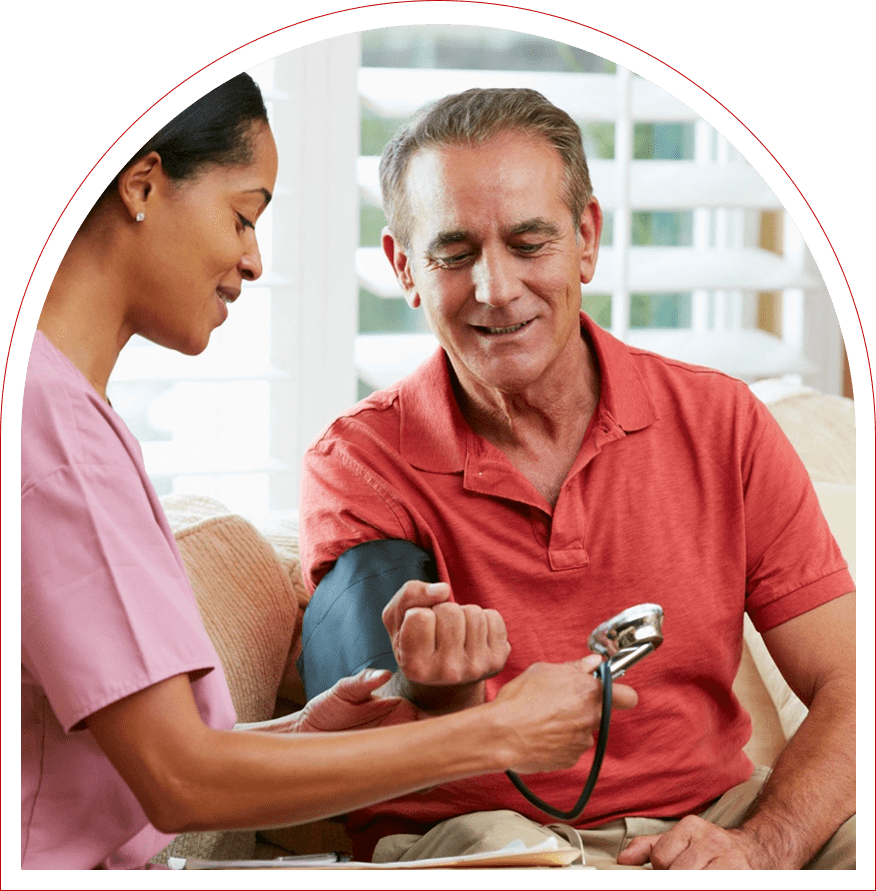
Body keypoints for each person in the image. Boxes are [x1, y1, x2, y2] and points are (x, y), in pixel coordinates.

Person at [20, 74, 620, 870]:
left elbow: (150, 755)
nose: (254, 259)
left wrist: (301, 732)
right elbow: (178, 781)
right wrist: (493, 731)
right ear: (143, 185)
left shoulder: (66, 414)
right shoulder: (53, 434)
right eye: (243, 215)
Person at [298, 87, 856, 869]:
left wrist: (761, 844)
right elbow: (347, 749)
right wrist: (441, 693)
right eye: (455, 253)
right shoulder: (358, 463)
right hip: (485, 835)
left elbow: (850, 683)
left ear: (586, 238)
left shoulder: (720, 421)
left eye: (530, 243)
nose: (496, 289)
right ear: (404, 268)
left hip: (714, 817)